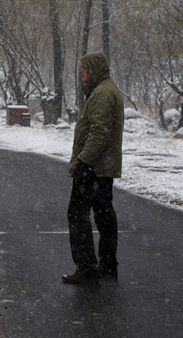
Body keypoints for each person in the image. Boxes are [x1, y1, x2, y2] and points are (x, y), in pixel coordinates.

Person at [62, 51, 124, 285]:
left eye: (84, 67)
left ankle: (87, 269)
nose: (80, 71)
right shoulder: (104, 90)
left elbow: (100, 132)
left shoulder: (102, 94)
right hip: (102, 167)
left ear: (95, 69)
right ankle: (107, 266)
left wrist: (83, 161)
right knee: (104, 215)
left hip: (93, 167)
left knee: (77, 215)